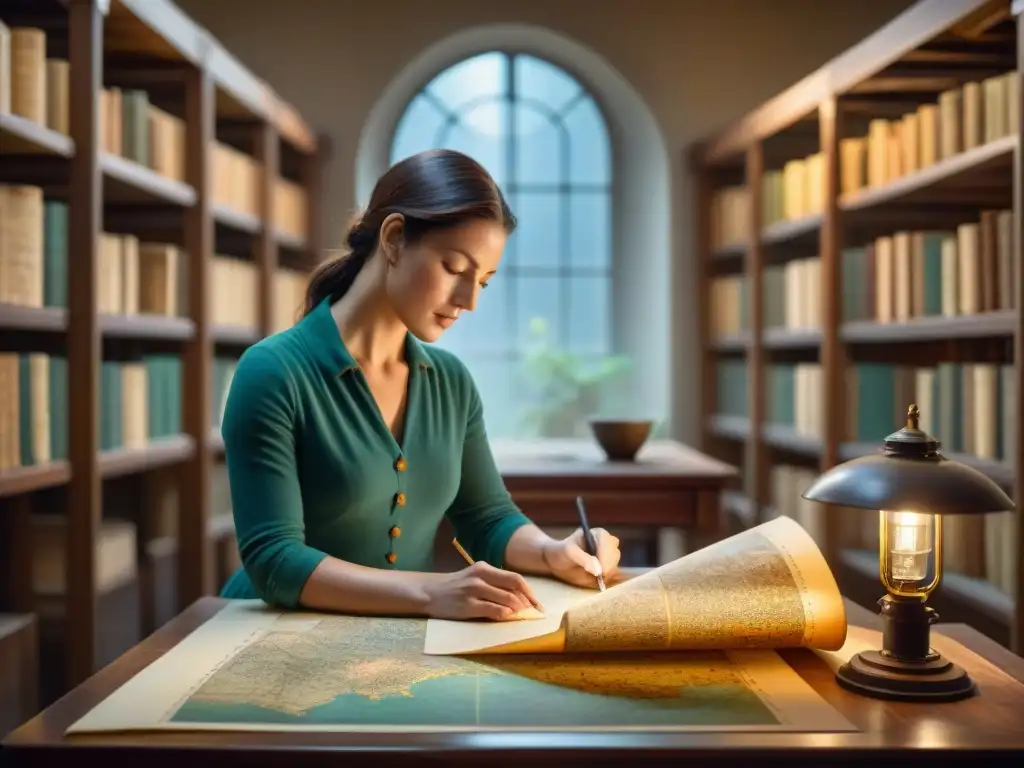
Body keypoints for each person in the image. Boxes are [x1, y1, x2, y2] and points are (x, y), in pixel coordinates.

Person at [219, 148, 621, 621]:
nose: (469, 300)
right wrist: (432, 594)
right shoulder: (272, 372)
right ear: (393, 239)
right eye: (455, 269)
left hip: (397, 649)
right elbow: (273, 561)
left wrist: (554, 551)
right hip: (264, 641)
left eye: (484, 282)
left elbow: (487, 517)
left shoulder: (450, 381)